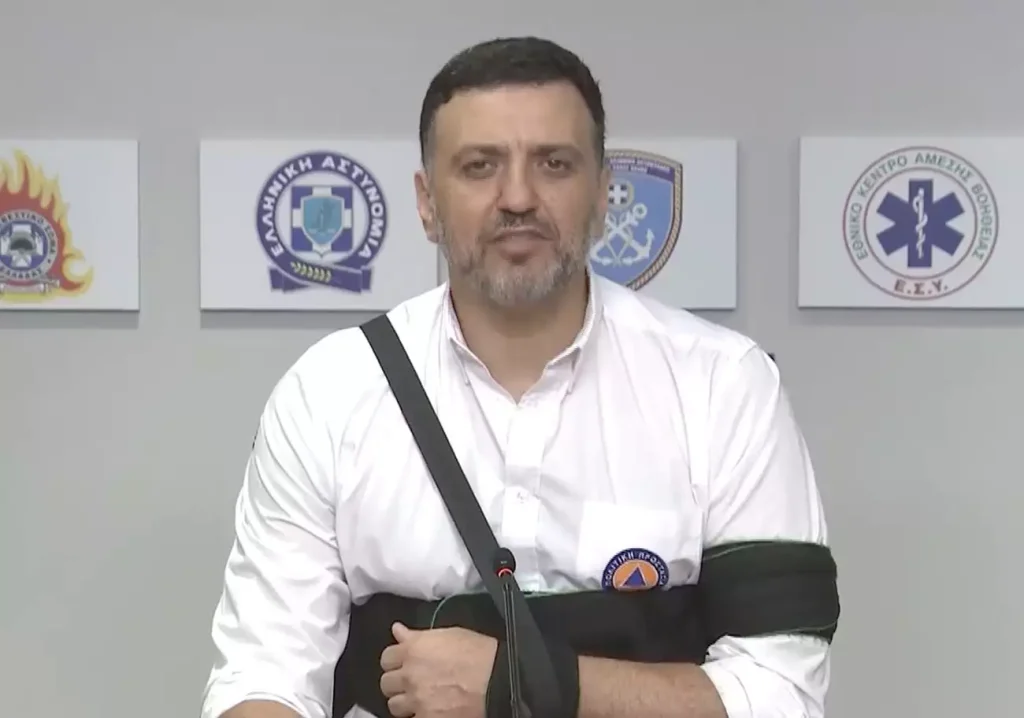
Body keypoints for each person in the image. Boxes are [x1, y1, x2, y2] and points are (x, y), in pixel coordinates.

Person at [200, 36, 839, 718]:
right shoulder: (328, 393)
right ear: (426, 202)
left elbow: (780, 693)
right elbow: (265, 676)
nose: (517, 197)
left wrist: (515, 680)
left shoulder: (724, 385)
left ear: (602, 194)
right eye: (479, 167)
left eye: (554, 164)